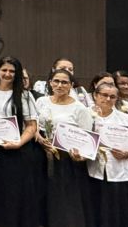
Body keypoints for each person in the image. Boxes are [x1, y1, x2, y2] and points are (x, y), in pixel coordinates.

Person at [0, 57, 43, 227]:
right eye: (4, 70)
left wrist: (19, 143)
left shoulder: (24, 95)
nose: (7, 74)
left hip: (16, 151)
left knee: (13, 194)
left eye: (12, 71)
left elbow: (31, 126)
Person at [35, 69, 94, 227]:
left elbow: (87, 140)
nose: (59, 85)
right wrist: (39, 138)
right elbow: (32, 125)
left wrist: (79, 154)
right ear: (50, 83)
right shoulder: (41, 102)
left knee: (64, 200)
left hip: (67, 161)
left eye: (64, 82)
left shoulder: (80, 108)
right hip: (41, 155)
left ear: (71, 85)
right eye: (56, 81)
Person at [89, 81, 128, 227]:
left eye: (112, 97)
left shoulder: (125, 118)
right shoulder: (87, 115)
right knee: (95, 210)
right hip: (93, 171)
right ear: (95, 95)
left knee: (118, 213)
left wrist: (126, 153)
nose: (108, 99)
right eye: (104, 95)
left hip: (119, 170)